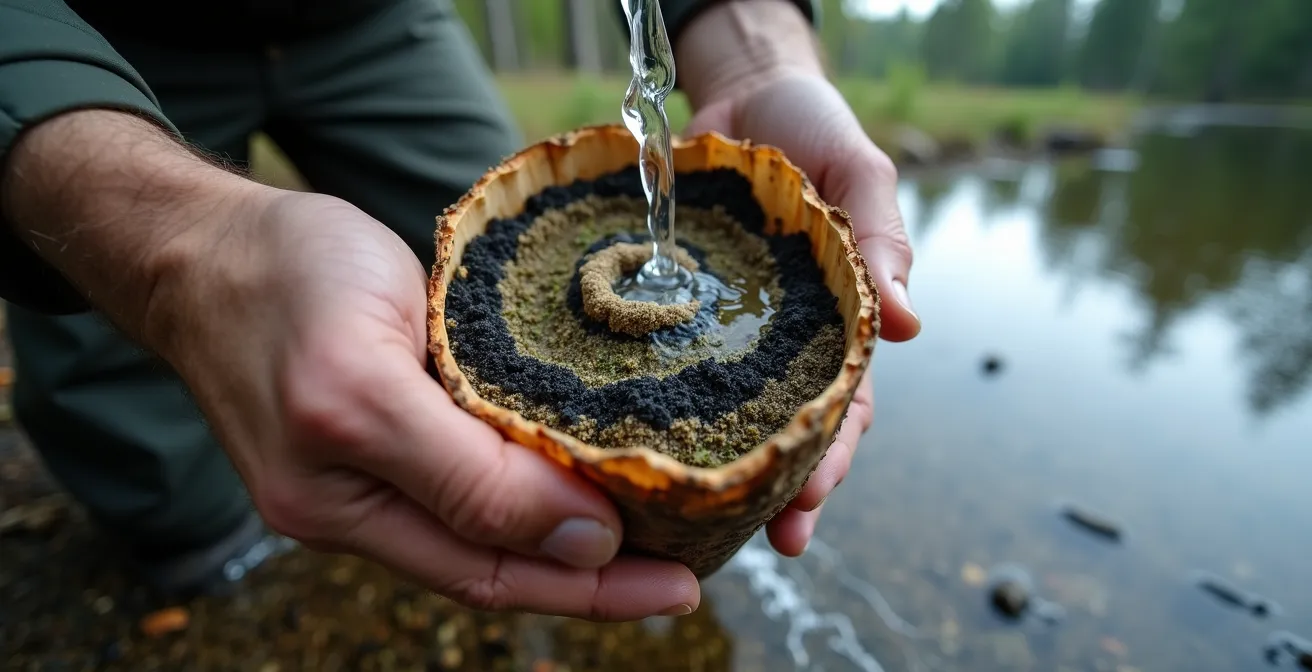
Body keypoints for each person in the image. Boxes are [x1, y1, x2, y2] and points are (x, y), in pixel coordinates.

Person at [0, 0, 920, 621]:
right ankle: (195, 556)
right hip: (96, 29)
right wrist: (179, 258)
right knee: (146, 454)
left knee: (453, 240)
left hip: (368, 16)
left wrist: (755, 56)